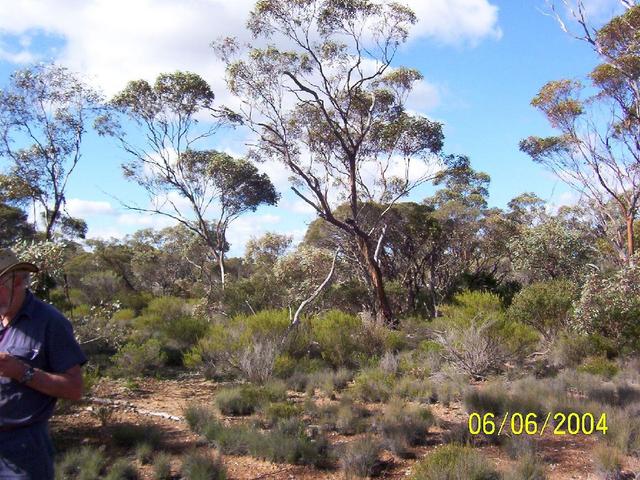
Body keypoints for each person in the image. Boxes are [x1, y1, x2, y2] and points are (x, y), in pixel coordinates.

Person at [0, 249, 86, 479]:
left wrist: (21, 371)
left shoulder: (49, 322)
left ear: (17, 283)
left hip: (23, 446)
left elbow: (74, 388)